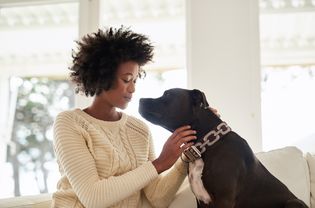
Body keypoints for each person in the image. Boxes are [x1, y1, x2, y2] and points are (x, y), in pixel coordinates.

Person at [52, 26, 217, 208]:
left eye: (135, 80)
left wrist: (182, 157)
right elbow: (94, 198)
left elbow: (157, 198)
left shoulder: (139, 130)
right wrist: (160, 162)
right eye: (126, 79)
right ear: (102, 76)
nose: (132, 89)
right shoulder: (69, 123)